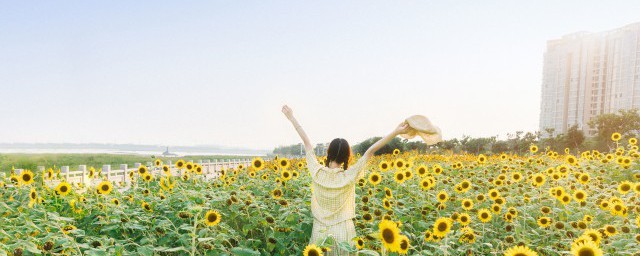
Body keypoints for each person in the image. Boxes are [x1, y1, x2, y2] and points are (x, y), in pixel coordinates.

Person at [281, 105, 409, 255]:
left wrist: (291, 118)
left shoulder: (316, 172)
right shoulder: (349, 176)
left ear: (329, 152)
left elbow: (306, 141)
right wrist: (396, 132)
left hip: (320, 232)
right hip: (343, 232)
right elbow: (371, 150)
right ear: (346, 157)